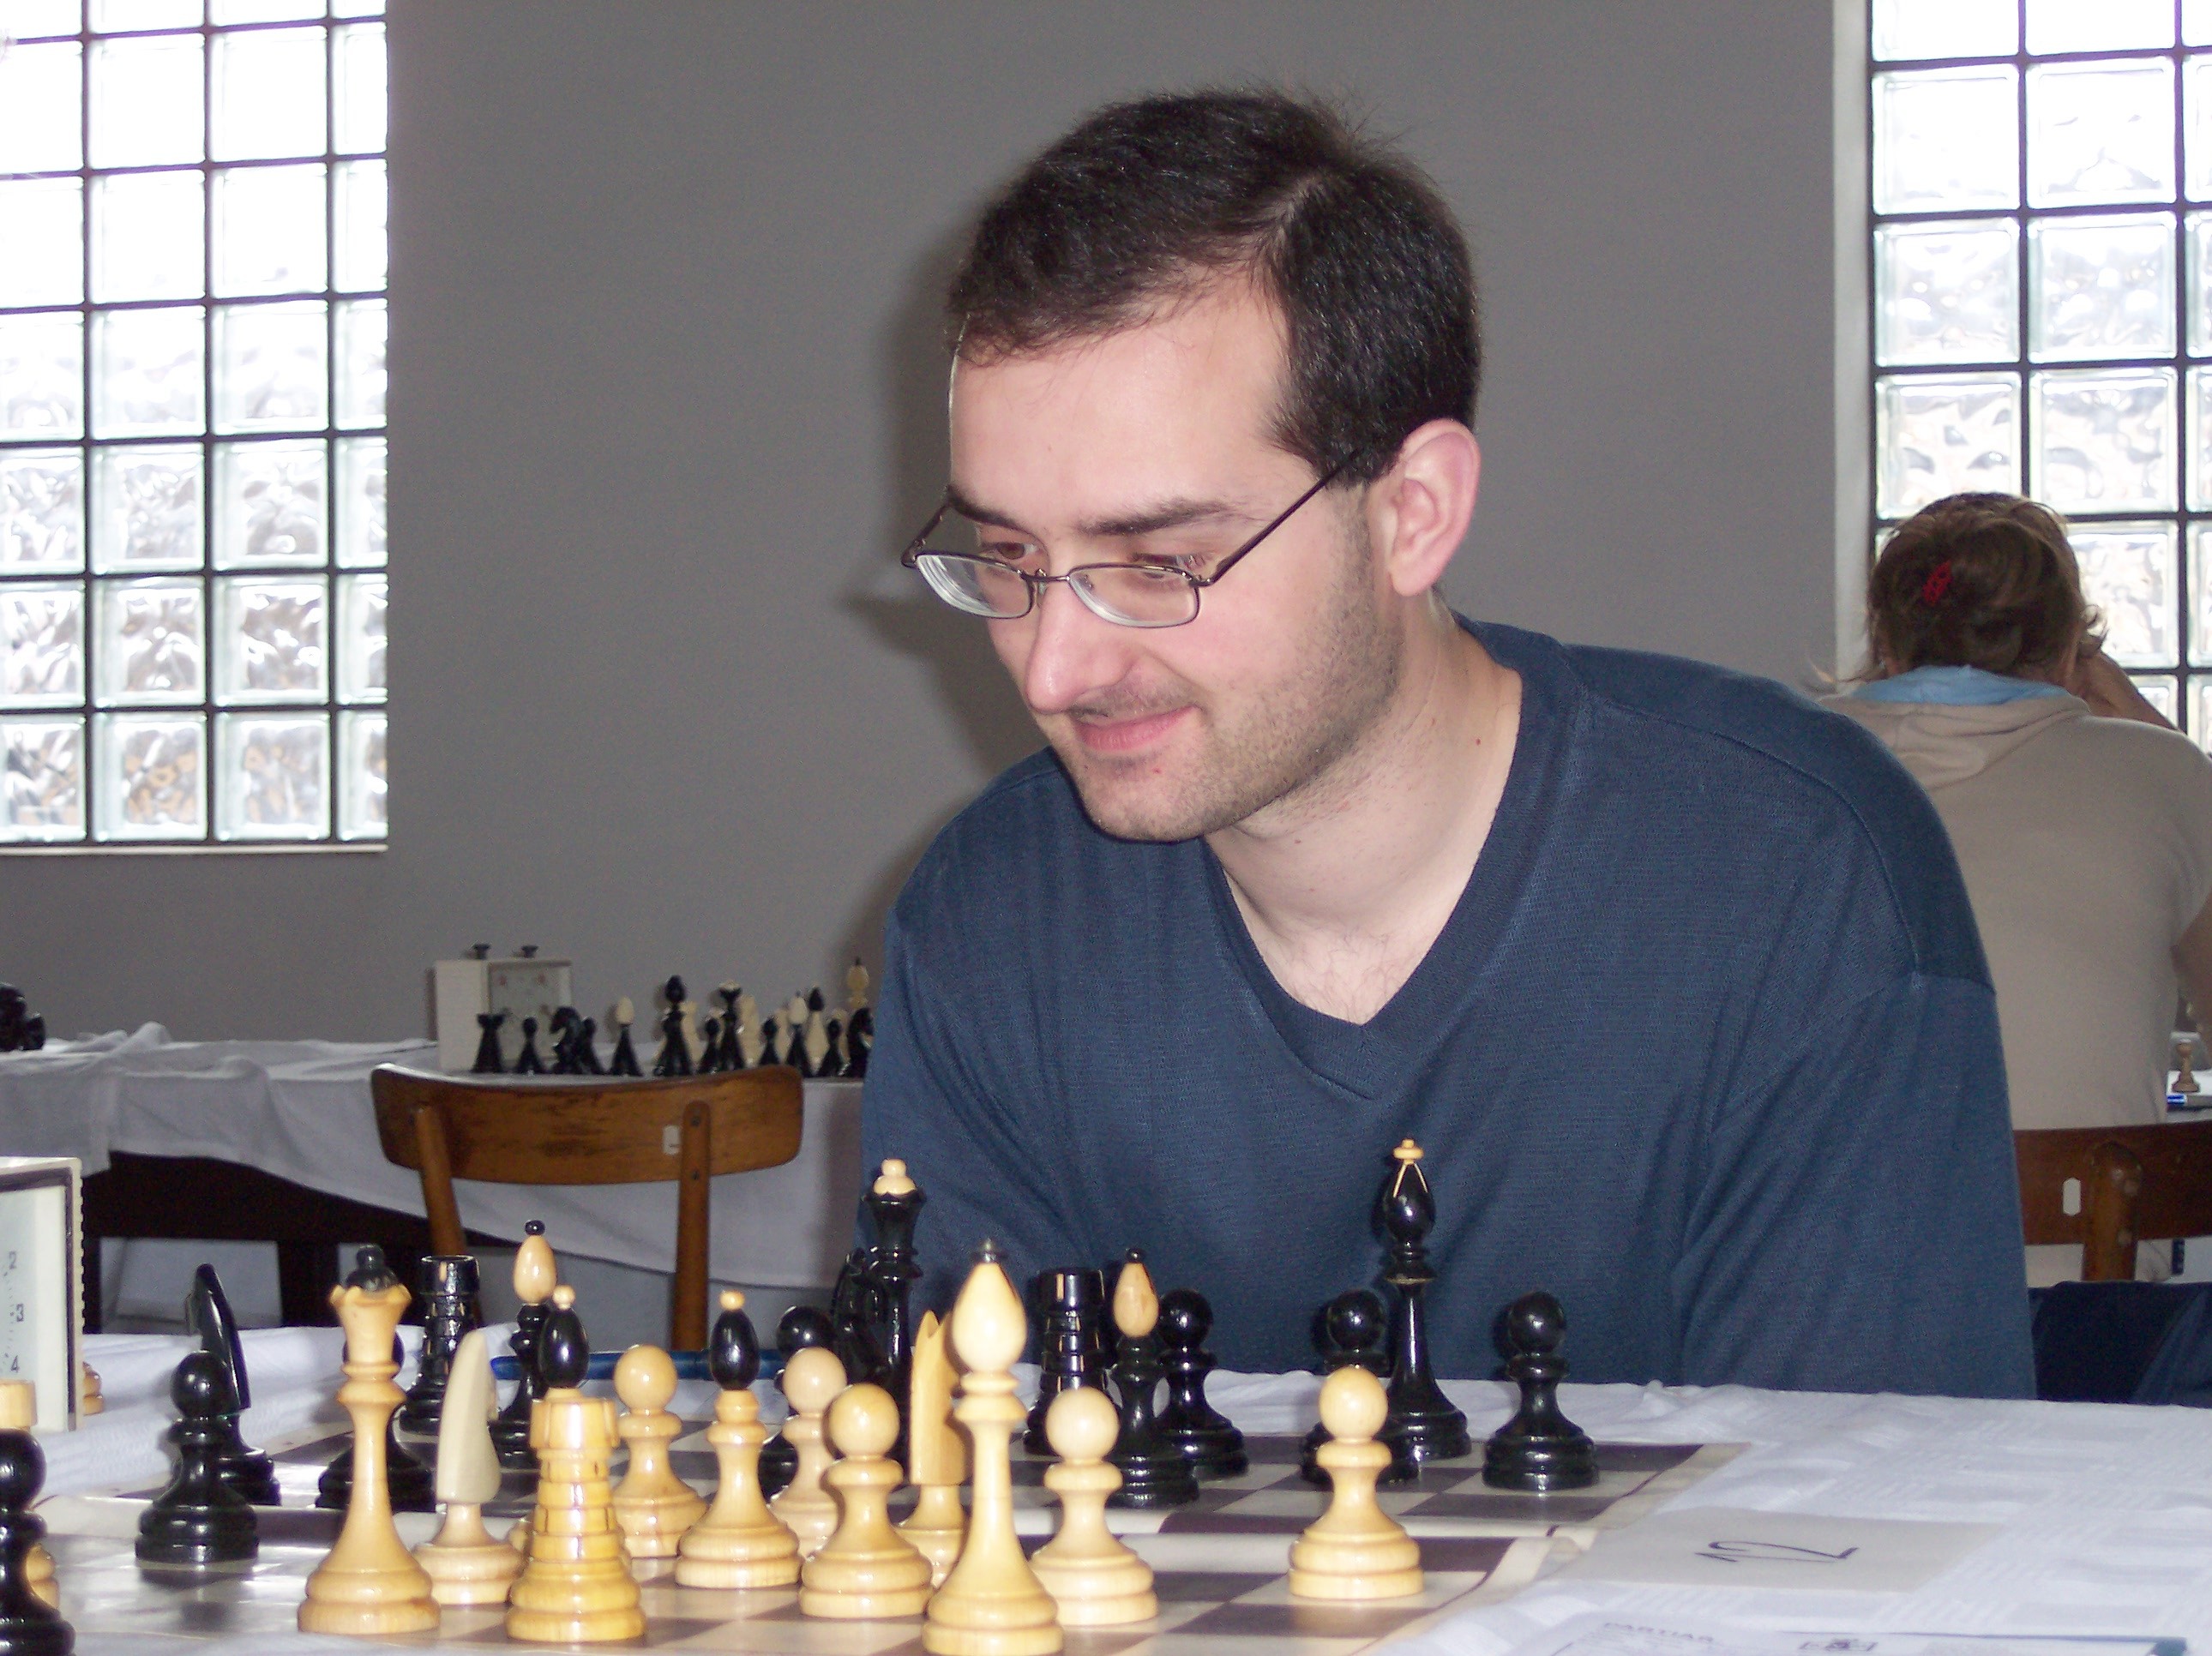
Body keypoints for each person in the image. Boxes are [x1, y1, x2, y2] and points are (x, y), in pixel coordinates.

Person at [858, 89, 2033, 1395]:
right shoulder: (989, 921)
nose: (1054, 668)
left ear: (1412, 513)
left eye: (1160, 562)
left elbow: (1860, 1510)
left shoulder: (1793, 879)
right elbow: (993, 1489)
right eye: (1009, 558)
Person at [1830, 493, 2212, 1287]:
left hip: (1836, 1309)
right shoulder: (2162, 774)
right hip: (2087, 1320)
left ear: (1886, 643)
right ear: (2074, 647)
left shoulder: (1785, 767)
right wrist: (2159, 737)